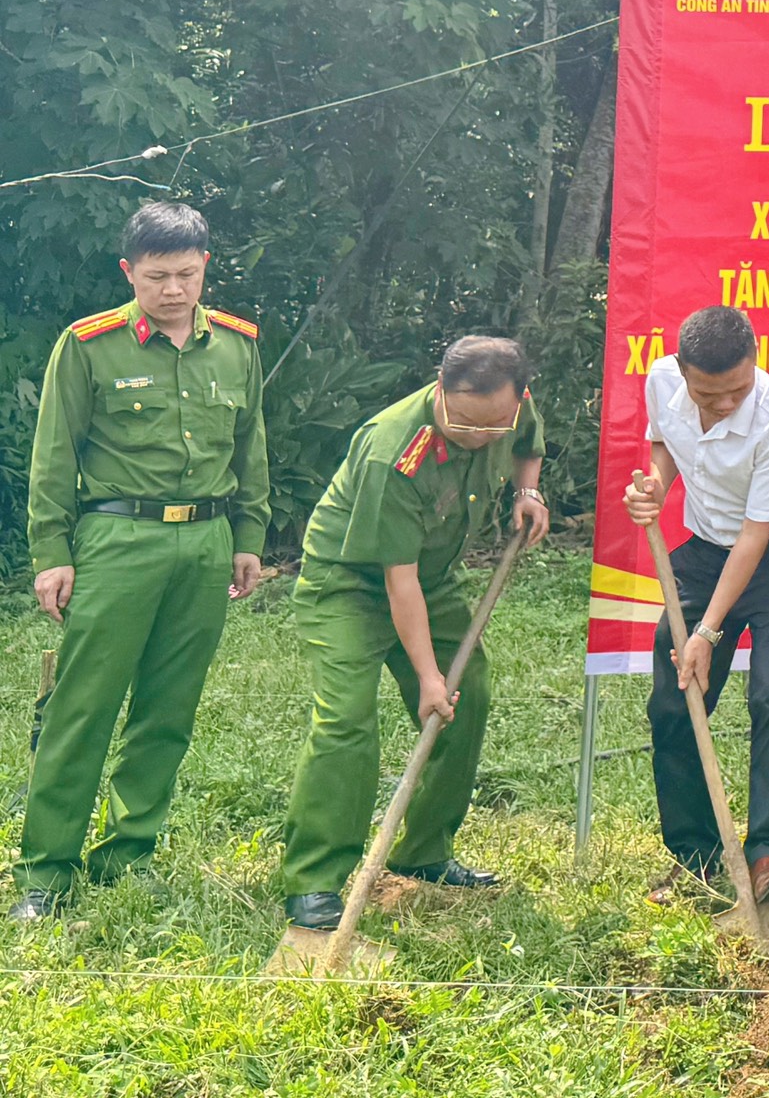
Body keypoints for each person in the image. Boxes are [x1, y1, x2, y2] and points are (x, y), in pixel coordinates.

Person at [14, 201, 269, 921]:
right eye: (156, 277)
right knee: (82, 707)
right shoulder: (90, 345)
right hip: (118, 541)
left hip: (207, 542)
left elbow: (252, 448)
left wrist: (248, 536)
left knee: (168, 709)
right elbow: (54, 457)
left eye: (187, 275)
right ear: (130, 272)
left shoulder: (237, 345)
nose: (173, 291)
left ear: (205, 268)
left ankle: (128, 854)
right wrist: (51, 555)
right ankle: (46, 870)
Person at [276, 334, 548, 932]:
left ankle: (423, 851)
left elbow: (527, 442)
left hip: (433, 579)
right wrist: (427, 677)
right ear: (441, 389)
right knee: (346, 719)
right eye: (465, 423)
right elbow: (397, 584)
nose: (478, 437)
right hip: (348, 586)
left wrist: (527, 490)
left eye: (491, 428)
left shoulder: (510, 409)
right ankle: (314, 881)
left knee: (468, 690)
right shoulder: (394, 450)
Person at [622, 305, 769, 905]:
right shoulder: (662, 380)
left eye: (737, 391)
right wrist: (656, 484)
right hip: (705, 547)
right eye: (708, 395)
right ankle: (697, 857)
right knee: (675, 697)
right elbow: (662, 442)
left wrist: (707, 633)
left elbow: (756, 535)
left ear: (755, 363)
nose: (723, 405)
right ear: (683, 372)